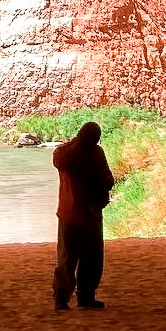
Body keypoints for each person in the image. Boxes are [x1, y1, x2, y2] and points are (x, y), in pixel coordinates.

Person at [52, 121, 114, 310]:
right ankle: (78, 297)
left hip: (74, 213)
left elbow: (107, 179)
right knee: (83, 260)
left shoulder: (65, 153)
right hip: (85, 213)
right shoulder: (89, 153)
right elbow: (108, 180)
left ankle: (69, 298)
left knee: (74, 259)